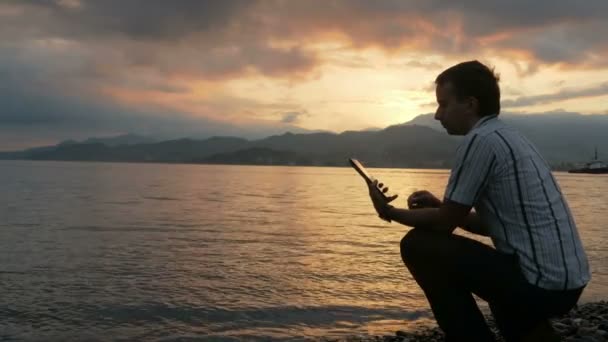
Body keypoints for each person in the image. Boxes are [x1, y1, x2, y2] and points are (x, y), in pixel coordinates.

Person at [367, 60, 590, 342]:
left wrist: (388, 211)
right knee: (495, 273)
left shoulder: (480, 141)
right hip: (567, 282)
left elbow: (444, 224)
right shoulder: (509, 137)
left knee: (417, 245)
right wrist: (439, 205)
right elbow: (489, 224)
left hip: (543, 284)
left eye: (444, 104)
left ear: (470, 104)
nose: (437, 115)